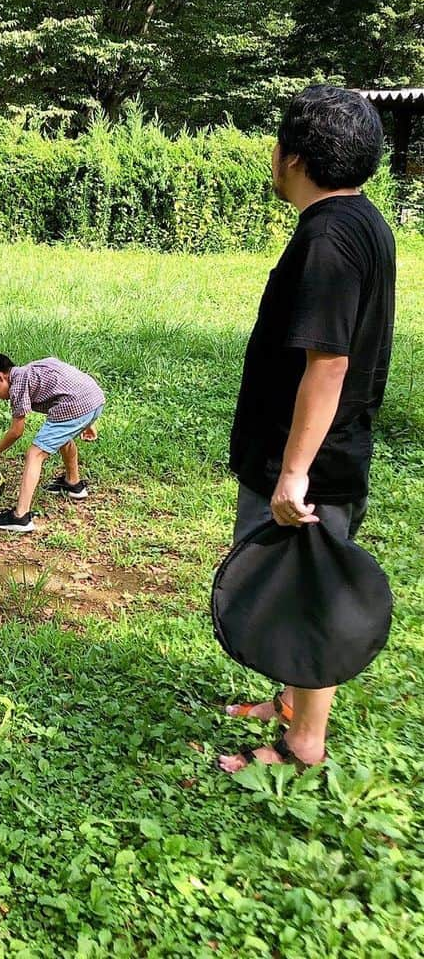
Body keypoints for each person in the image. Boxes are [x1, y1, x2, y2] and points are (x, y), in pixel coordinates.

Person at [218, 85, 395, 773]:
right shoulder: (360, 222)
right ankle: (290, 703)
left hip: (310, 465)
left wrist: (293, 473)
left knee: (305, 594)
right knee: (296, 585)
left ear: (290, 156)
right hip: (322, 453)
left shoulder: (327, 238)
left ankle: (302, 747)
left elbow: (329, 361)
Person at [0, 353, 105, 533]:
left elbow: (16, 431)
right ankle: (73, 484)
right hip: (95, 398)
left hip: (76, 404)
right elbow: (71, 381)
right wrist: (89, 420)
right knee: (61, 437)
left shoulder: (17, 385)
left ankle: (20, 517)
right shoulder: (35, 368)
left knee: (35, 454)